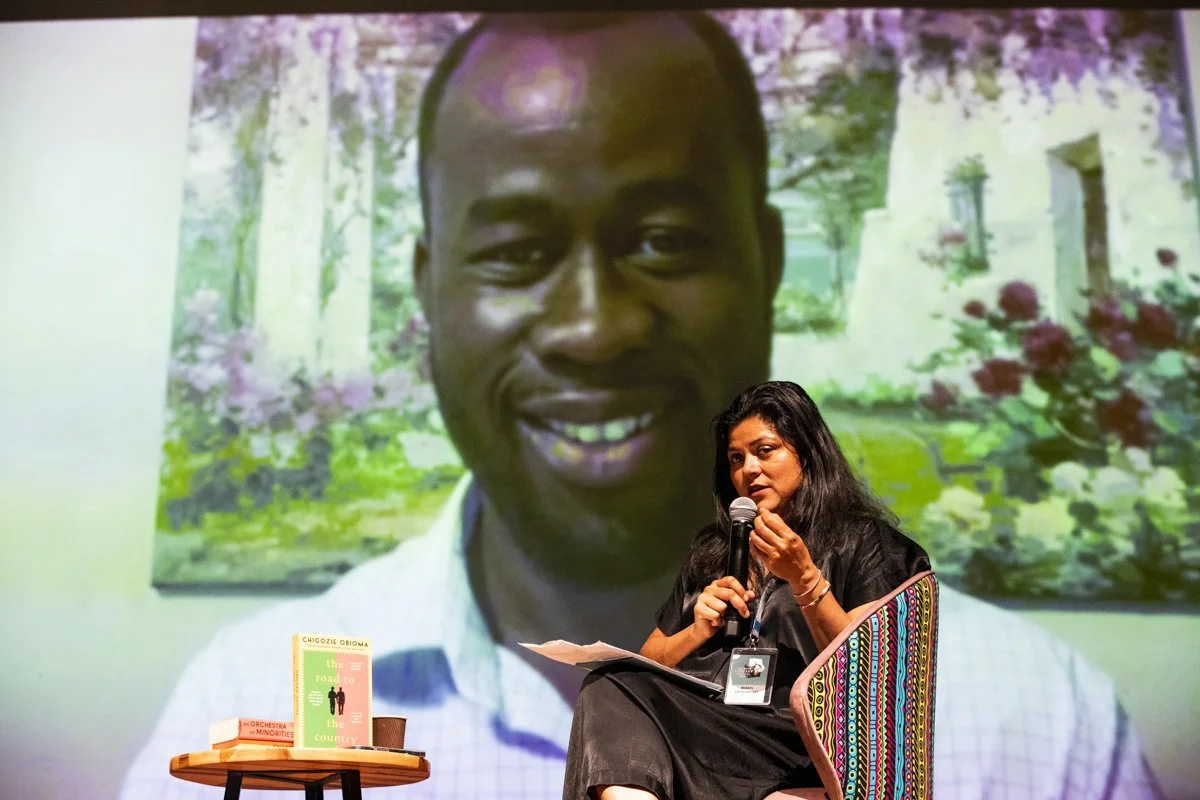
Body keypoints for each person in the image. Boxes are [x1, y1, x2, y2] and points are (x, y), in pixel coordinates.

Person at [121, 11, 1165, 800]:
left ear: (768, 261)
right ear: (429, 286)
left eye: (665, 239)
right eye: (516, 252)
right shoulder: (245, 698)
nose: (594, 327)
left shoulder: (1040, 722)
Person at [563, 381, 931, 799]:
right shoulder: (715, 549)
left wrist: (805, 580)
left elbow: (869, 675)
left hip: (799, 739)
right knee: (611, 684)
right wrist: (697, 629)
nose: (748, 470)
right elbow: (648, 663)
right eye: (736, 458)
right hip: (719, 726)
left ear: (806, 453)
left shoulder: (866, 542)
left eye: (764, 451)